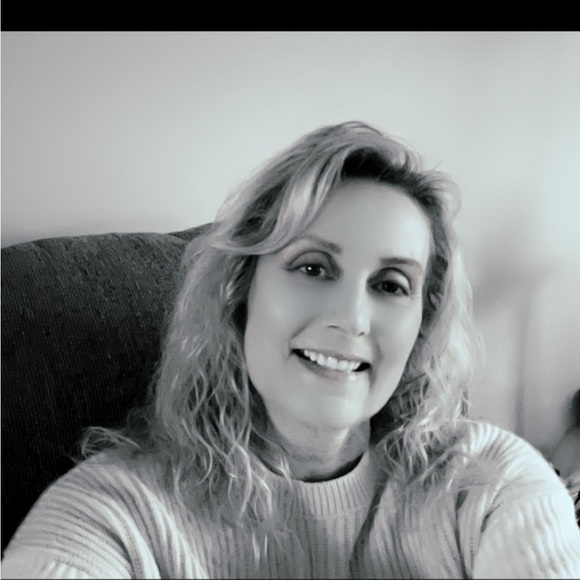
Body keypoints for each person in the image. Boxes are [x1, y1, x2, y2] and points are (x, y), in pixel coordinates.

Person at [2, 121, 579, 579]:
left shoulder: (489, 486)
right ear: (239, 292)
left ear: (421, 327)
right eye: (313, 267)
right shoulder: (113, 516)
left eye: (390, 285)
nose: (351, 318)